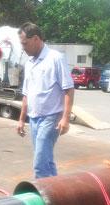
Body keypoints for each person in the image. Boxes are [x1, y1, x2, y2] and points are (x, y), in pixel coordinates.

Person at [16, 22, 74, 178]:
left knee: (40, 164)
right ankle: (58, 196)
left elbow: (68, 89)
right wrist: (22, 119)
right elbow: (26, 94)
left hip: (51, 117)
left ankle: (44, 199)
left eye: (25, 43)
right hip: (34, 118)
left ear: (35, 38)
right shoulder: (29, 63)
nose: (23, 48)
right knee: (46, 160)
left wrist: (65, 119)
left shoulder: (55, 58)